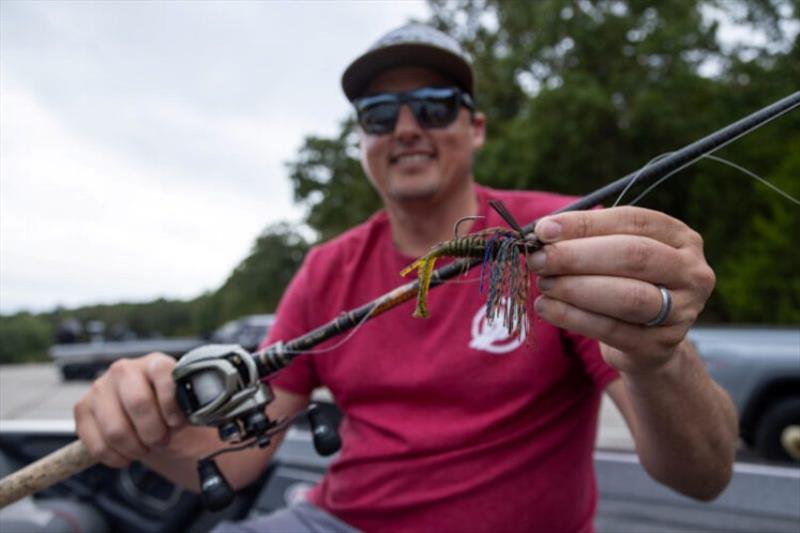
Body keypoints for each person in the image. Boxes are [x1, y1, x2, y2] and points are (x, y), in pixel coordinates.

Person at [74, 23, 738, 533]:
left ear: (474, 128)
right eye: (380, 115)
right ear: (362, 139)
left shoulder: (560, 237)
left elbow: (704, 476)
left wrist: (661, 357)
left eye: (435, 106)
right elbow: (240, 457)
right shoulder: (326, 269)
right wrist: (143, 423)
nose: (408, 129)